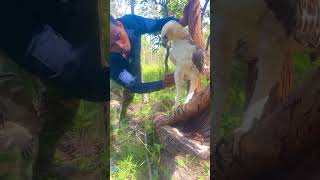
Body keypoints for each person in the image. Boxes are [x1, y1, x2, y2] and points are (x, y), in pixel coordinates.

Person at [0, 0, 108, 179]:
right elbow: (22, 33)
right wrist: (93, 81)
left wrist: (94, 68)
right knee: (18, 135)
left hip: (45, 22)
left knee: (65, 103)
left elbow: (84, 21)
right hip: (10, 23)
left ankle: (40, 167)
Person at [110, 14, 185, 120]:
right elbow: (134, 86)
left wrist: (179, 21)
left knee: (129, 96)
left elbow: (155, 24)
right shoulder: (112, 63)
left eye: (118, 36)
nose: (121, 46)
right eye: (112, 46)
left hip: (134, 70)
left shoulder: (132, 23)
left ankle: (124, 114)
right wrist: (162, 84)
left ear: (120, 25)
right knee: (114, 104)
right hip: (116, 78)